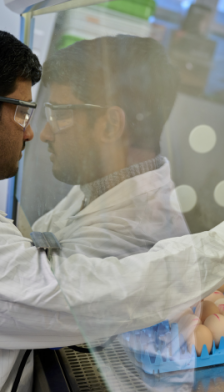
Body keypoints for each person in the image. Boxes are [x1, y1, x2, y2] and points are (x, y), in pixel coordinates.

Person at [0, 16, 224, 392]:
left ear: (111, 126)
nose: (36, 132)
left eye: (57, 115)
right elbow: (97, 294)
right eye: (24, 112)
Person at [32, 36, 190, 258]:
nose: (44, 134)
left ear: (109, 125)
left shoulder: (124, 238)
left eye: (59, 115)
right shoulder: (103, 177)